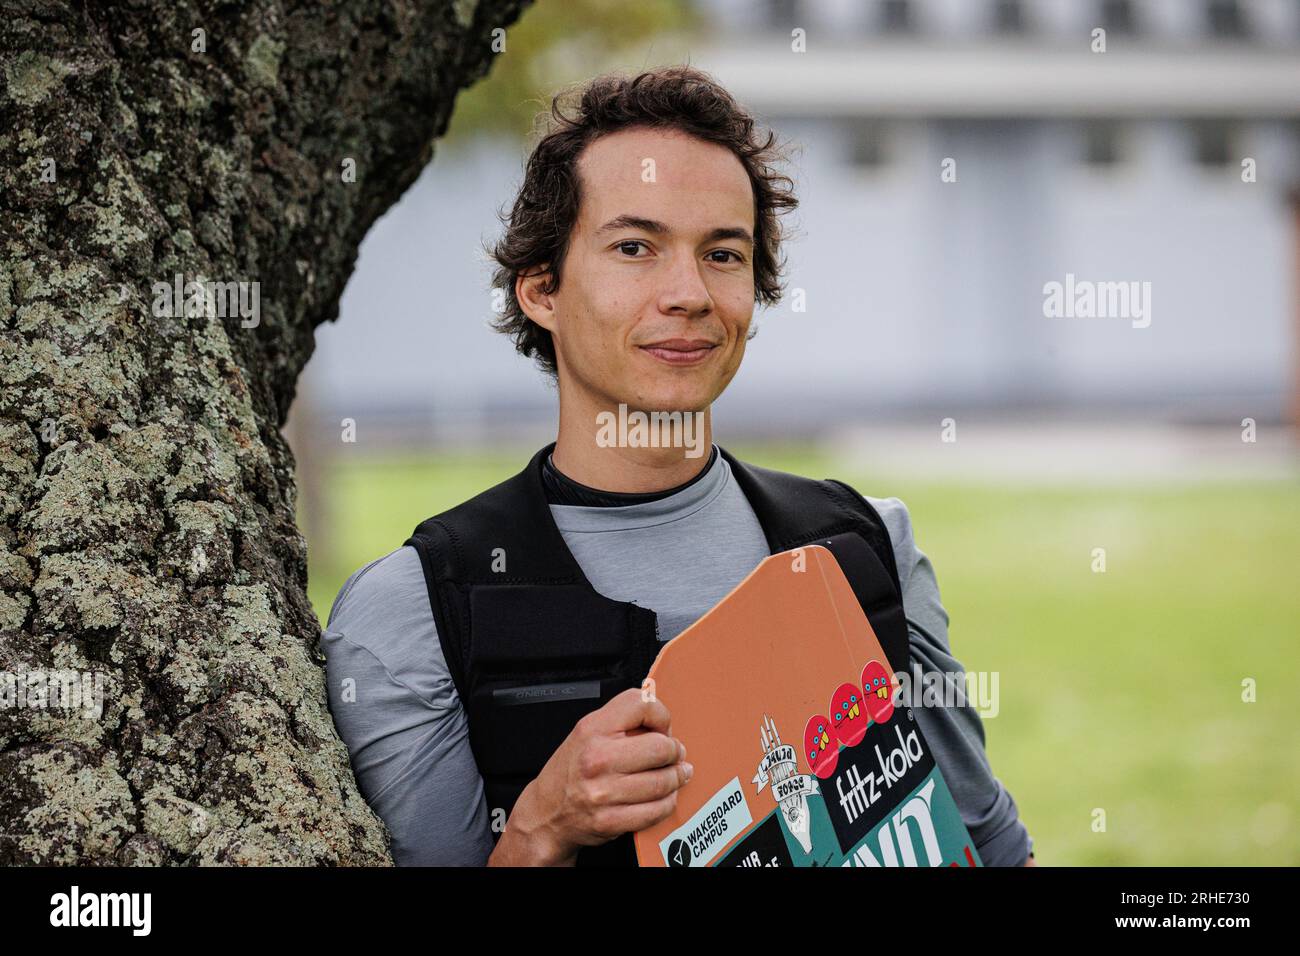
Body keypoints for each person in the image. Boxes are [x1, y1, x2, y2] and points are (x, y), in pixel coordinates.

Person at [323, 65, 1035, 867]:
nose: (689, 292)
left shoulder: (871, 547)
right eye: (635, 247)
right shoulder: (410, 612)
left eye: (723, 254)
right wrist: (538, 829)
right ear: (541, 290)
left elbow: (994, 850)